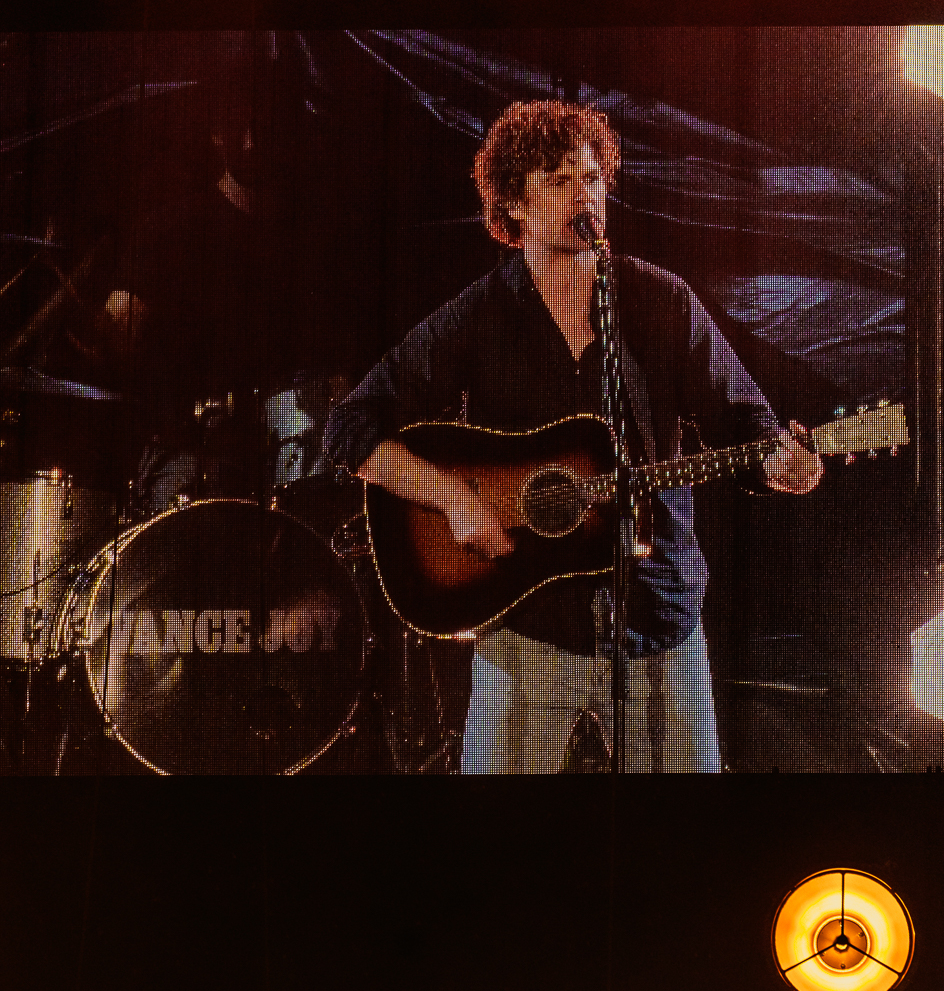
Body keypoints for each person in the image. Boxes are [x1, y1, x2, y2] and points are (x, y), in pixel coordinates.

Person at [322, 100, 823, 773]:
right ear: (514, 208)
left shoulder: (659, 302)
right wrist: (455, 500)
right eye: (557, 181)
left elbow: (748, 421)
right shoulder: (481, 316)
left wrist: (781, 463)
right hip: (530, 629)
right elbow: (350, 427)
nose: (582, 194)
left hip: (657, 620)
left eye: (591, 178)